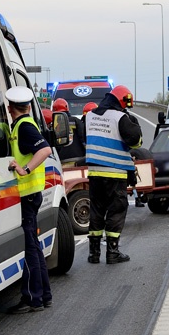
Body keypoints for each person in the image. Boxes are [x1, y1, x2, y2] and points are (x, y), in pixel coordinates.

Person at [3, 87, 54, 314]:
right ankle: (44, 295)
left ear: (10, 107)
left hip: (27, 195)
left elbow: (44, 150)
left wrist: (24, 169)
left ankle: (33, 298)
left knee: (30, 247)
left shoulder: (24, 126)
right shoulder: (22, 125)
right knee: (33, 244)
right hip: (30, 194)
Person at [84, 85, 143, 264]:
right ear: (121, 100)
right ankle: (112, 251)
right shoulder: (121, 117)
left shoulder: (90, 116)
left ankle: (93, 253)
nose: (126, 108)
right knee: (116, 210)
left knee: (96, 210)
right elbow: (136, 142)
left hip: (94, 173)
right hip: (115, 173)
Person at [54, 97, 85, 164]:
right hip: (78, 158)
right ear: (67, 108)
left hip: (62, 160)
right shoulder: (76, 120)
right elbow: (83, 137)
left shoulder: (55, 126)